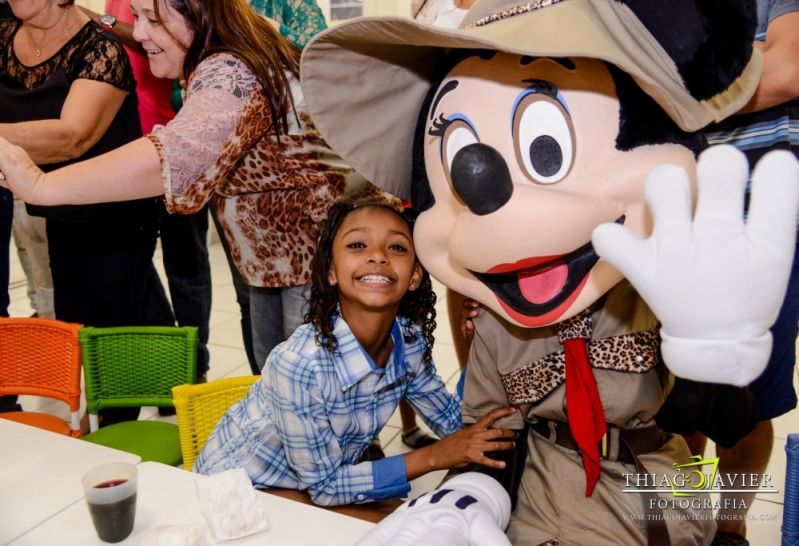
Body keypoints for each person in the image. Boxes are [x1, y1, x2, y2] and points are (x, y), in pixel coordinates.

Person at [0, 0, 372, 376]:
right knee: (279, 384)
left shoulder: (231, 72)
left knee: (307, 393)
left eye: (153, 19)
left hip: (318, 253)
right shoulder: (223, 52)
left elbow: (174, 159)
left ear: (199, 15)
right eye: (138, 16)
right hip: (278, 257)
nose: (139, 32)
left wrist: (39, 185)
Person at [195, 199, 517, 506]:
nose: (378, 255)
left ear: (415, 276)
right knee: (394, 522)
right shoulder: (299, 365)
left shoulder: (408, 341)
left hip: (306, 485)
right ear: (332, 271)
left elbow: (456, 425)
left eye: (397, 247)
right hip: (231, 491)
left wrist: (480, 344)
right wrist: (434, 456)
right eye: (357, 245)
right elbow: (324, 488)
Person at [686, 2, 799, 544]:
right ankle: (681, 521)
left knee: (752, 398)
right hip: (672, 214)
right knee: (673, 397)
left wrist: (687, 77)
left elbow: (788, 72)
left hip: (765, 221)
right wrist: (746, 60)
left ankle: (729, 530)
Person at [83, 0, 213, 383]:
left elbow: (147, 45)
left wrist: (97, 20)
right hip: (125, 148)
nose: (141, 26)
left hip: (173, 147)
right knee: (136, 263)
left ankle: (194, 368)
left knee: (186, 267)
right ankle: (172, 356)